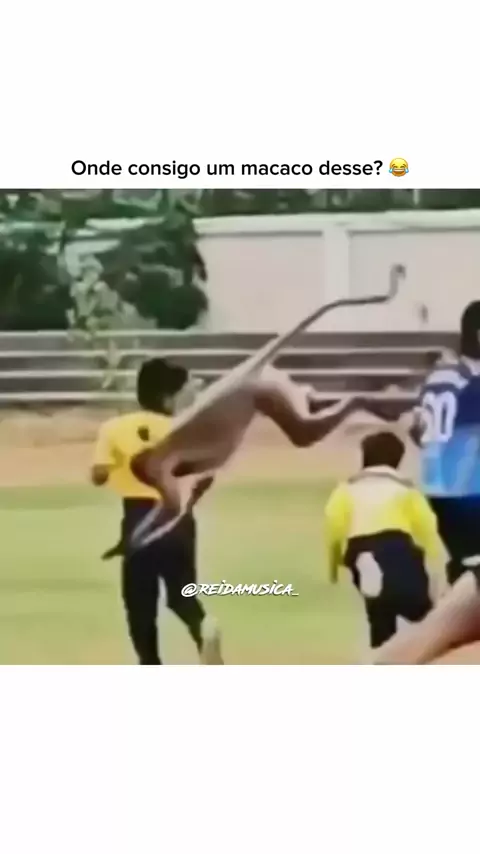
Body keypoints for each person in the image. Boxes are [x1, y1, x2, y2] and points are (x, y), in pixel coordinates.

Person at [130, 365, 367, 545]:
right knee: (302, 429)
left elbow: (171, 508)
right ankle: (310, 399)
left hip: (257, 390)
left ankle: (353, 404)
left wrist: (137, 540)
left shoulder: (161, 460)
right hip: (257, 386)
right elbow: (192, 490)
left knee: (303, 434)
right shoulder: (185, 455)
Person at [91, 357, 223, 666]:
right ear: (167, 399)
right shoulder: (188, 429)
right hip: (178, 519)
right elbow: (205, 474)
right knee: (182, 594)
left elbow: (99, 474)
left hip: (138, 519)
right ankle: (202, 626)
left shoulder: (114, 428)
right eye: (185, 391)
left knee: (140, 604)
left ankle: (150, 664)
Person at [324, 431, 443, 649]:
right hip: (397, 546)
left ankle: (382, 642)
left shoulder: (345, 490)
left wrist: (334, 567)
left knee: (379, 616)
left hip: (358, 548)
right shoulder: (405, 490)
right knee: (421, 611)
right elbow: (427, 525)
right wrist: (436, 558)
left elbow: (334, 528)